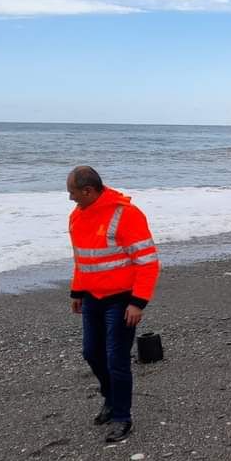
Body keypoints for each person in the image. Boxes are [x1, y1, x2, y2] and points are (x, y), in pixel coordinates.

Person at [66, 166, 160, 443]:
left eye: (72, 192)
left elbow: (147, 262)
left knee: (116, 359)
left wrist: (138, 302)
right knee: (91, 353)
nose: (70, 198)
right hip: (92, 297)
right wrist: (77, 291)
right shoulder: (77, 216)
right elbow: (82, 259)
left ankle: (122, 416)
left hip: (121, 300)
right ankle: (110, 398)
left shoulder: (126, 215)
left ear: (88, 191)